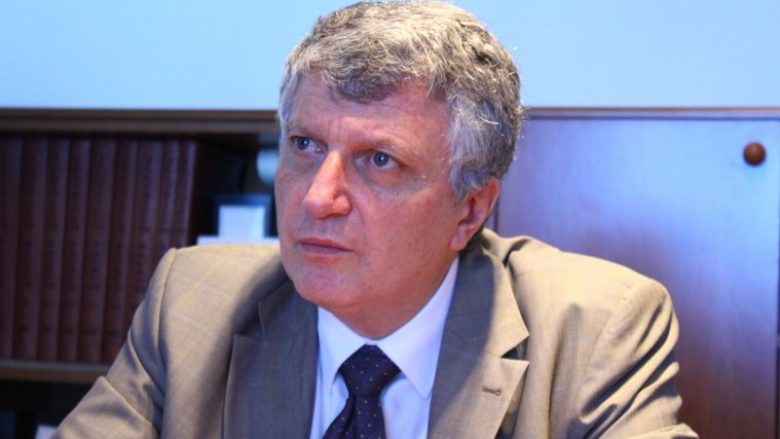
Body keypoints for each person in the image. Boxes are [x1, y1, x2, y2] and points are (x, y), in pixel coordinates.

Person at [55, 1, 697, 438]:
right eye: (306, 145)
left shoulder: (594, 330)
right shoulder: (192, 304)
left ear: (470, 209)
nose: (318, 198)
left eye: (379, 161)